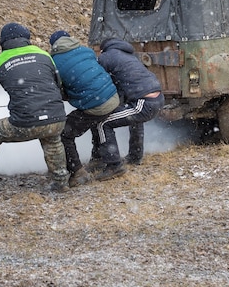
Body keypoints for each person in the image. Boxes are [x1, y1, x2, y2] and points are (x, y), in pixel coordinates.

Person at [0, 23, 68, 203]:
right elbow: (57, 83)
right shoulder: (44, 54)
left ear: (3, 42)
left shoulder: (0, 62)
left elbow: (11, 89)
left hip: (26, 121)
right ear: (27, 38)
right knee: (52, 137)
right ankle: (61, 181)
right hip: (56, 117)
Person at [49, 31, 121, 186]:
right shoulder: (86, 50)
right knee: (95, 119)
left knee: (64, 133)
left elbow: (60, 90)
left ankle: (78, 173)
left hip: (97, 103)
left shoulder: (54, 62)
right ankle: (99, 158)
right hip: (112, 96)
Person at [90, 38, 164, 179]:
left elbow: (96, 79)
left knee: (102, 123)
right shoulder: (128, 56)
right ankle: (135, 156)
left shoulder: (107, 56)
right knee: (135, 120)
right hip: (157, 98)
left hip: (144, 102)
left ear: (103, 49)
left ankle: (114, 166)